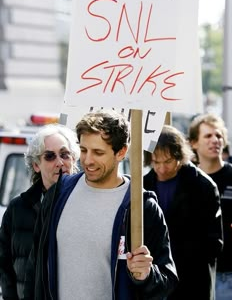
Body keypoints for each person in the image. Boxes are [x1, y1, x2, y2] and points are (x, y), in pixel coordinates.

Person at [24, 109, 178, 300]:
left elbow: (167, 282)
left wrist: (146, 274)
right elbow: (35, 267)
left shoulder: (142, 207)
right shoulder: (58, 194)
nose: (88, 160)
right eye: (83, 150)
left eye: (98, 152)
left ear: (121, 152)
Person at [0, 123, 80, 300]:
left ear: (73, 159)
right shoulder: (17, 209)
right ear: (36, 165)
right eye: (50, 156)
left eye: (65, 154)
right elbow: (5, 268)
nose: (59, 162)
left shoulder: (87, 204)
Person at [143, 124, 223, 300]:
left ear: (180, 156)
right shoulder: (142, 186)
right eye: (156, 162)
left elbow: (214, 242)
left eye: (168, 161)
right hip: (155, 279)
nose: (162, 168)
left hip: (193, 281)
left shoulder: (203, 186)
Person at [188, 113, 232, 300]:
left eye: (218, 136)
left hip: (231, 274)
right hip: (197, 275)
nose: (215, 140)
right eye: (208, 136)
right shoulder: (188, 181)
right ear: (193, 143)